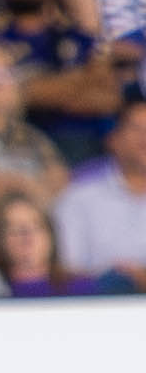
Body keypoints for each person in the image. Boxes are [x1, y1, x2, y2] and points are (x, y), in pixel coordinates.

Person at [49, 97, 146, 284]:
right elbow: (68, 271)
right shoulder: (77, 199)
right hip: (99, 304)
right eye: (136, 128)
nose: (145, 137)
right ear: (113, 139)